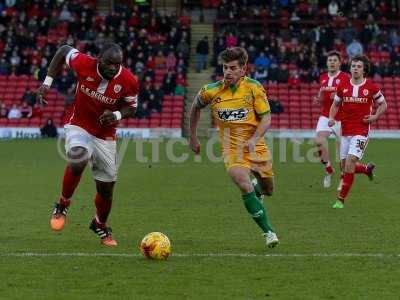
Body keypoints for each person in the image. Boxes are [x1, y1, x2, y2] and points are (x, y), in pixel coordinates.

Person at [36, 43, 139, 246]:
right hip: (79, 125)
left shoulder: (129, 80)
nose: (113, 68)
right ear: (100, 59)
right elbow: (63, 50)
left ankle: (99, 224)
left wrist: (116, 114)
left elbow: (132, 107)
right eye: (109, 63)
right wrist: (47, 83)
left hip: (105, 135)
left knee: (106, 189)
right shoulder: (84, 63)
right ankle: (62, 204)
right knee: (78, 158)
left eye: (117, 64)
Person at [189, 47, 279, 248]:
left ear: (242, 69)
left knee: (268, 189)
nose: (227, 72)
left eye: (232, 68)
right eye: (224, 67)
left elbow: (266, 118)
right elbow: (195, 107)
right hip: (232, 150)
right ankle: (269, 232)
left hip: (256, 147)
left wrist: (255, 139)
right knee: (242, 183)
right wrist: (193, 137)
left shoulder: (254, 88)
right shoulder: (210, 90)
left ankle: (259, 190)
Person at [328, 55, 387, 209]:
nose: (355, 68)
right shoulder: (343, 86)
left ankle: (340, 200)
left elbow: (383, 104)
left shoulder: (372, 87)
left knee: (350, 162)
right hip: (345, 130)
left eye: (359, 66)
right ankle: (366, 169)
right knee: (344, 166)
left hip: (361, 130)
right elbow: (335, 105)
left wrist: (375, 116)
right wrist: (331, 117)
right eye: (353, 66)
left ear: (364, 69)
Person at [314, 51, 350, 188]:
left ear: (339, 63)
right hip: (325, 115)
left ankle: (342, 177)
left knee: (342, 153)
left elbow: (349, 96)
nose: (332, 62)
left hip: (341, 118)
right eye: (330, 60)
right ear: (327, 63)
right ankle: (328, 170)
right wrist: (319, 99)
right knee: (319, 141)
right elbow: (322, 95)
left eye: (335, 60)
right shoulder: (322, 77)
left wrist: (340, 95)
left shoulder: (345, 77)